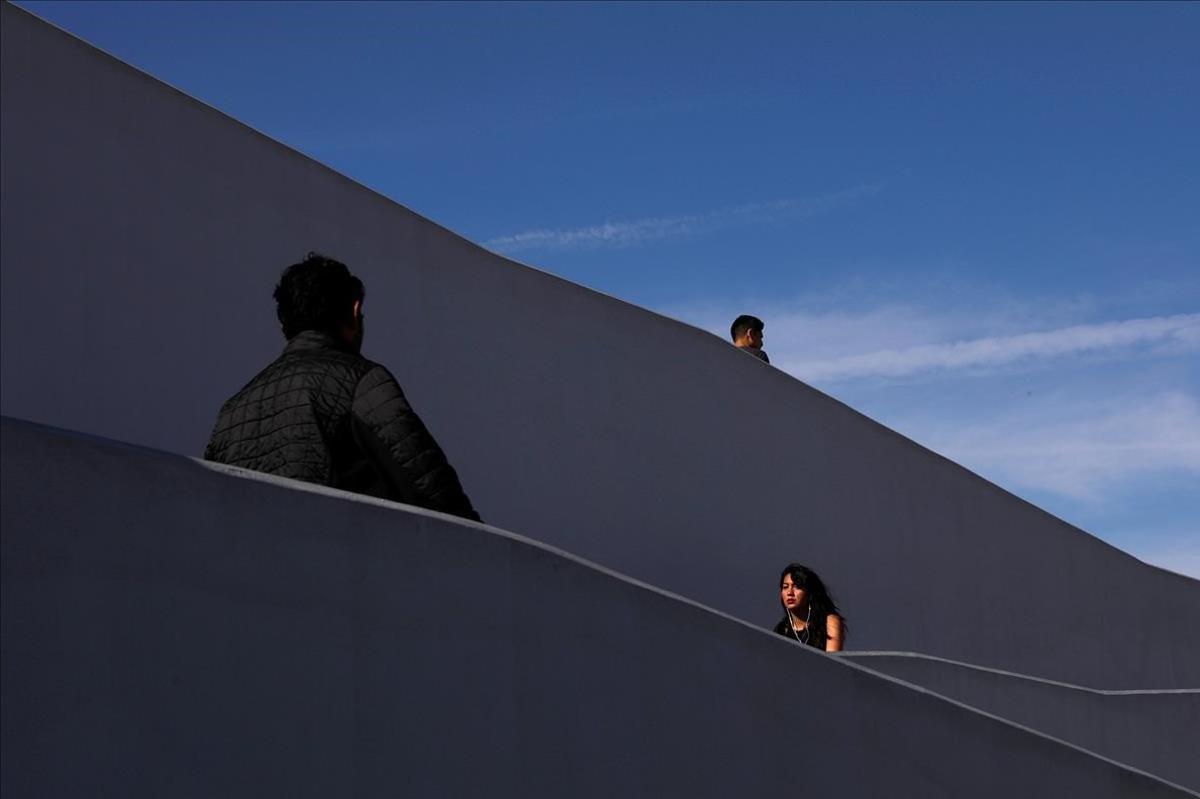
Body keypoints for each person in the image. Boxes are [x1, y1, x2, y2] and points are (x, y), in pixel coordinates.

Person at [204, 252, 480, 522]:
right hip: (352, 563)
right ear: (355, 310)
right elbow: (431, 491)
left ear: (283, 325)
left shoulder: (231, 411)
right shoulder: (362, 382)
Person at [772, 563, 845, 652]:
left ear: (809, 593)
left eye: (797, 586)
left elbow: (832, 663)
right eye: (785, 587)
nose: (789, 592)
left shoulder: (829, 622)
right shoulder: (781, 630)